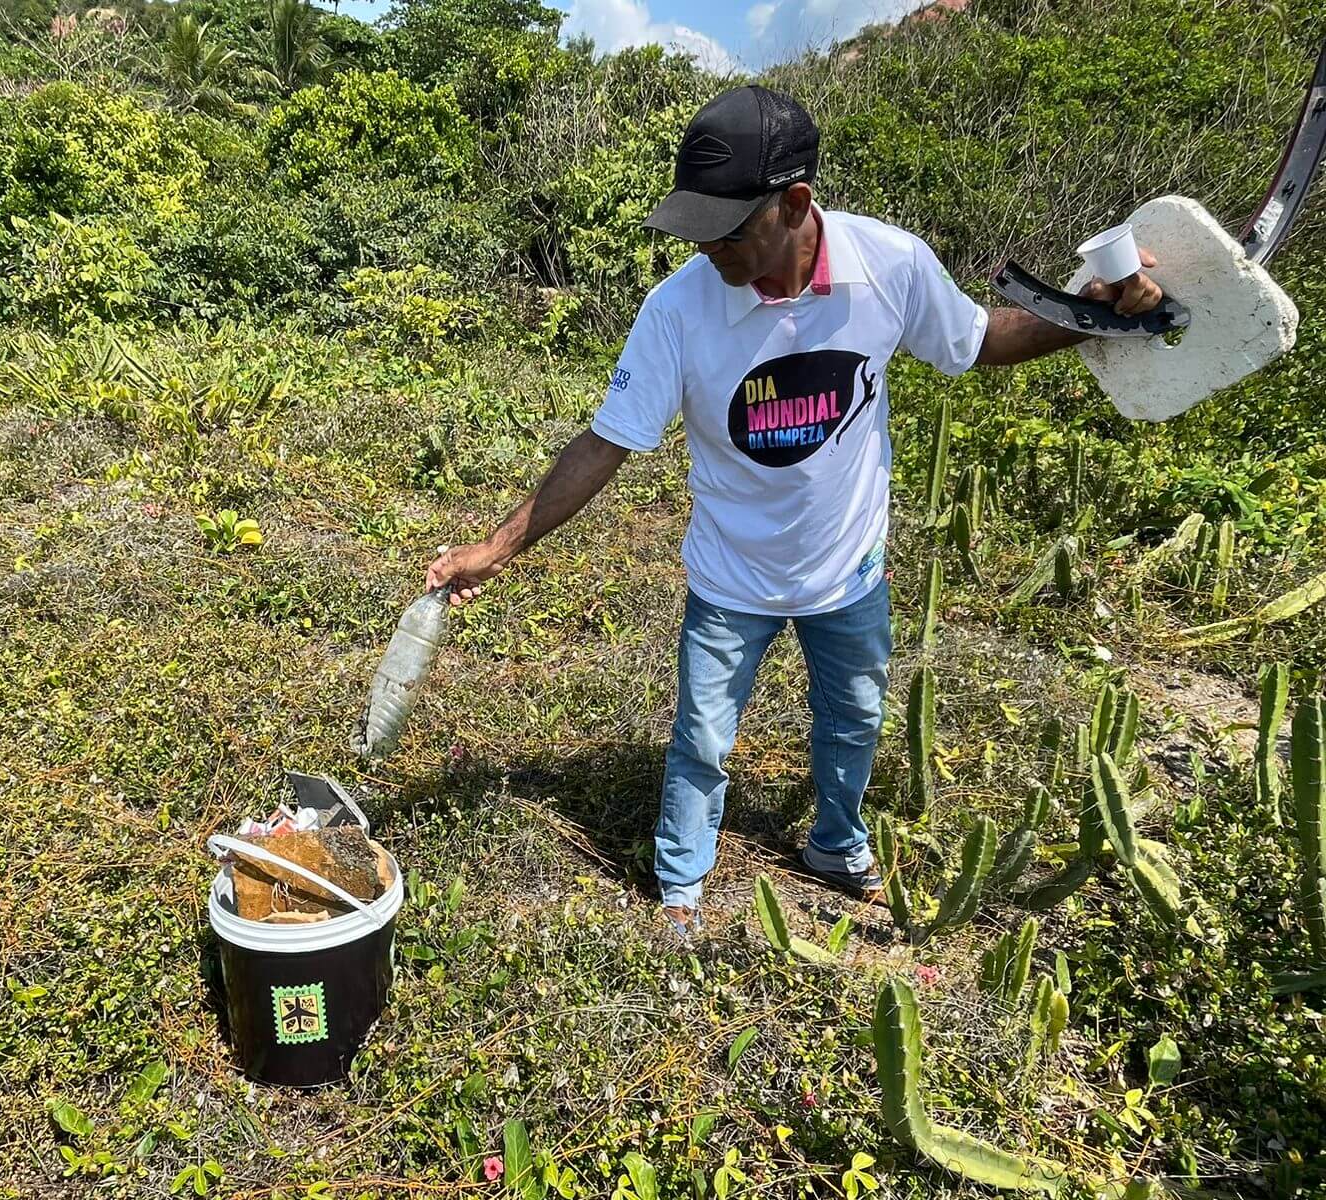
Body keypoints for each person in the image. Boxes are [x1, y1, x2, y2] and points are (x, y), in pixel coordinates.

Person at [424, 85, 1163, 937]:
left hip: (847, 572)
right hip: (730, 578)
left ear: (796, 203)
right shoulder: (677, 309)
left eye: (727, 230)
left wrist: (1091, 318)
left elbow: (978, 341)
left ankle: (835, 846)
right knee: (702, 738)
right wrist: (496, 546)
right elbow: (605, 443)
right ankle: (679, 886)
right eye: (697, 230)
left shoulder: (889, 265)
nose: (707, 250)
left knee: (854, 720)